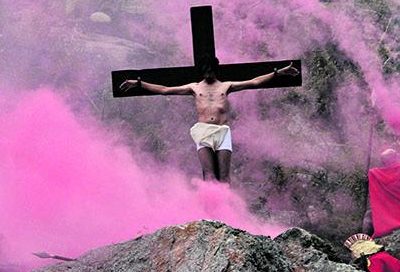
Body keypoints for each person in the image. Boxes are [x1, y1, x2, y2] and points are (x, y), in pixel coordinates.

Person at [120, 60, 299, 182]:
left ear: (215, 69)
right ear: (202, 71)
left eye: (211, 70)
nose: (208, 73)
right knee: (208, 174)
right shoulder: (194, 87)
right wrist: (139, 83)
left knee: (224, 176)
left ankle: (226, 212)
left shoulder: (226, 86)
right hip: (203, 131)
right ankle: (210, 209)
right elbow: (165, 89)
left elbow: (254, 82)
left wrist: (277, 73)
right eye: (205, 70)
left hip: (222, 131)